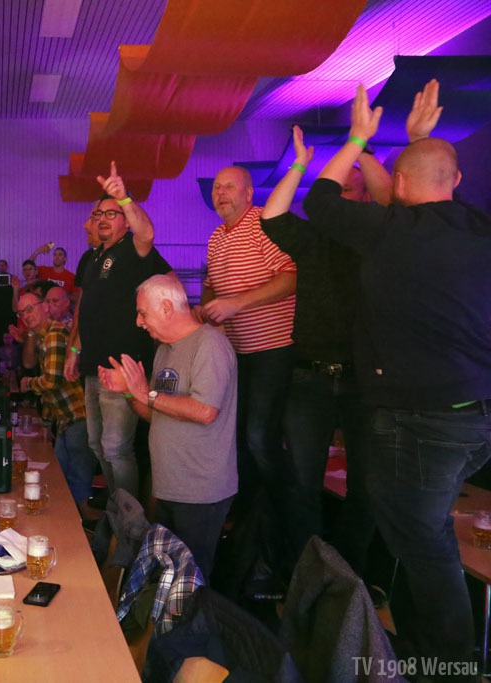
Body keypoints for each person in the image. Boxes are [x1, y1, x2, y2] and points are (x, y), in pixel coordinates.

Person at [303, 79, 490, 680]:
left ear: (400, 187)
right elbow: (412, 192)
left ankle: (452, 666)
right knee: (418, 534)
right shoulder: (477, 228)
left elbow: (320, 199)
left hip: (419, 418)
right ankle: (421, 648)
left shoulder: (389, 231)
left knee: (426, 544)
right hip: (476, 415)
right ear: (456, 180)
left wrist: (359, 138)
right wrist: (417, 143)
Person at [259, 125, 383, 579]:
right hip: (309, 376)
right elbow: (271, 215)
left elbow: (392, 199)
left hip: (364, 379)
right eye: (335, 188)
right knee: (302, 485)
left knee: (367, 488)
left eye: (349, 188)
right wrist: (298, 165)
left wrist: (362, 148)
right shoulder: (312, 236)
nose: (340, 197)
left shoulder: (380, 238)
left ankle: (350, 579)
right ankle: (309, 579)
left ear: (366, 195)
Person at [198, 163, 297, 594]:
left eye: (229, 187)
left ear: (249, 192)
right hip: (236, 353)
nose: (221, 193)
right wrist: (207, 310)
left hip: (273, 348)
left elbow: (291, 278)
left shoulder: (263, 225)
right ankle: (249, 533)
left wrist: (237, 303)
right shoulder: (216, 237)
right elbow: (209, 284)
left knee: (259, 439)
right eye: (216, 188)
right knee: (239, 442)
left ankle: (286, 522)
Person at [98, 275, 237, 581]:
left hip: (200, 490)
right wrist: (128, 392)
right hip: (169, 486)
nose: (138, 322)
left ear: (165, 308)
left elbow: (205, 411)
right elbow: (155, 413)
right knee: (168, 581)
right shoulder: (165, 349)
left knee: (189, 585)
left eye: (142, 313)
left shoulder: (209, 344)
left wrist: (144, 392)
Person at [64, 162, 173, 499]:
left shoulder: (134, 250)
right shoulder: (90, 258)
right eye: (99, 213)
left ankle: (130, 518)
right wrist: (74, 348)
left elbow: (148, 234)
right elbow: (84, 306)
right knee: (97, 445)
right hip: (92, 365)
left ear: (126, 221)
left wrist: (123, 197)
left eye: (112, 214)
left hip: (122, 367)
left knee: (116, 448)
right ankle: (118, 509)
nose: (103, 219)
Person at [16, 291, 97, 518]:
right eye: (21, 313)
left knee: (76, 480)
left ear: (45, 307)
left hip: (78, 416)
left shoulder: (54, 334)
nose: (26, 316)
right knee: (59, 477)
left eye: (30, 309)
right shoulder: (44, 336)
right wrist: (46, 422)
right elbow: (44, 381)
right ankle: (70, 522)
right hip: (66, 418)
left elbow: (52, 380)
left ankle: (80, 527)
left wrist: (28, 383)